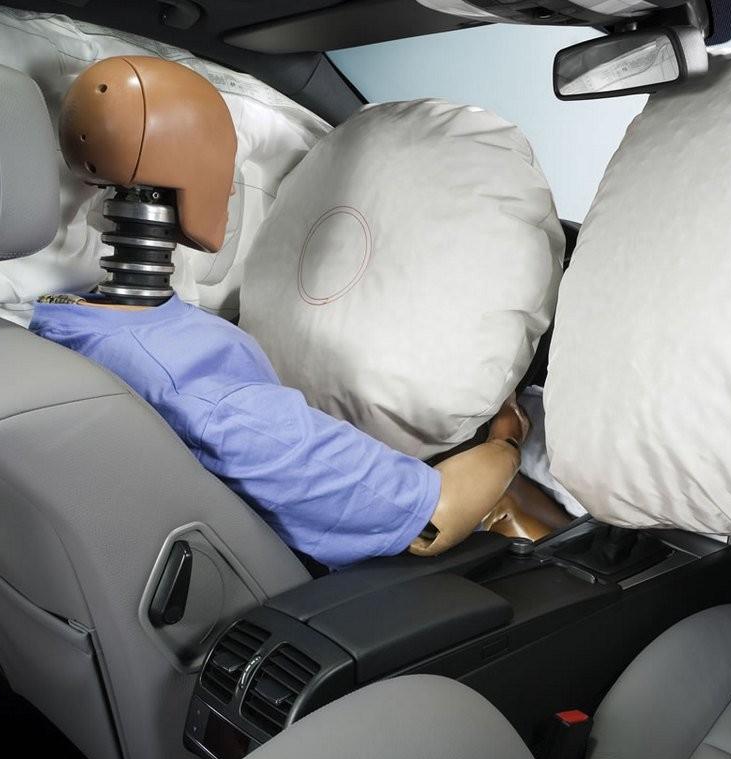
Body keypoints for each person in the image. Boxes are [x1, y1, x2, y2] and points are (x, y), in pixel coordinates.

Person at [31, 55, 536, 570]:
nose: (232, 188)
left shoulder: (61, 320)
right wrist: (509, 438)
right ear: (186, 177)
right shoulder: (223, 412)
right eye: (224, 165)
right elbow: (431, 523)